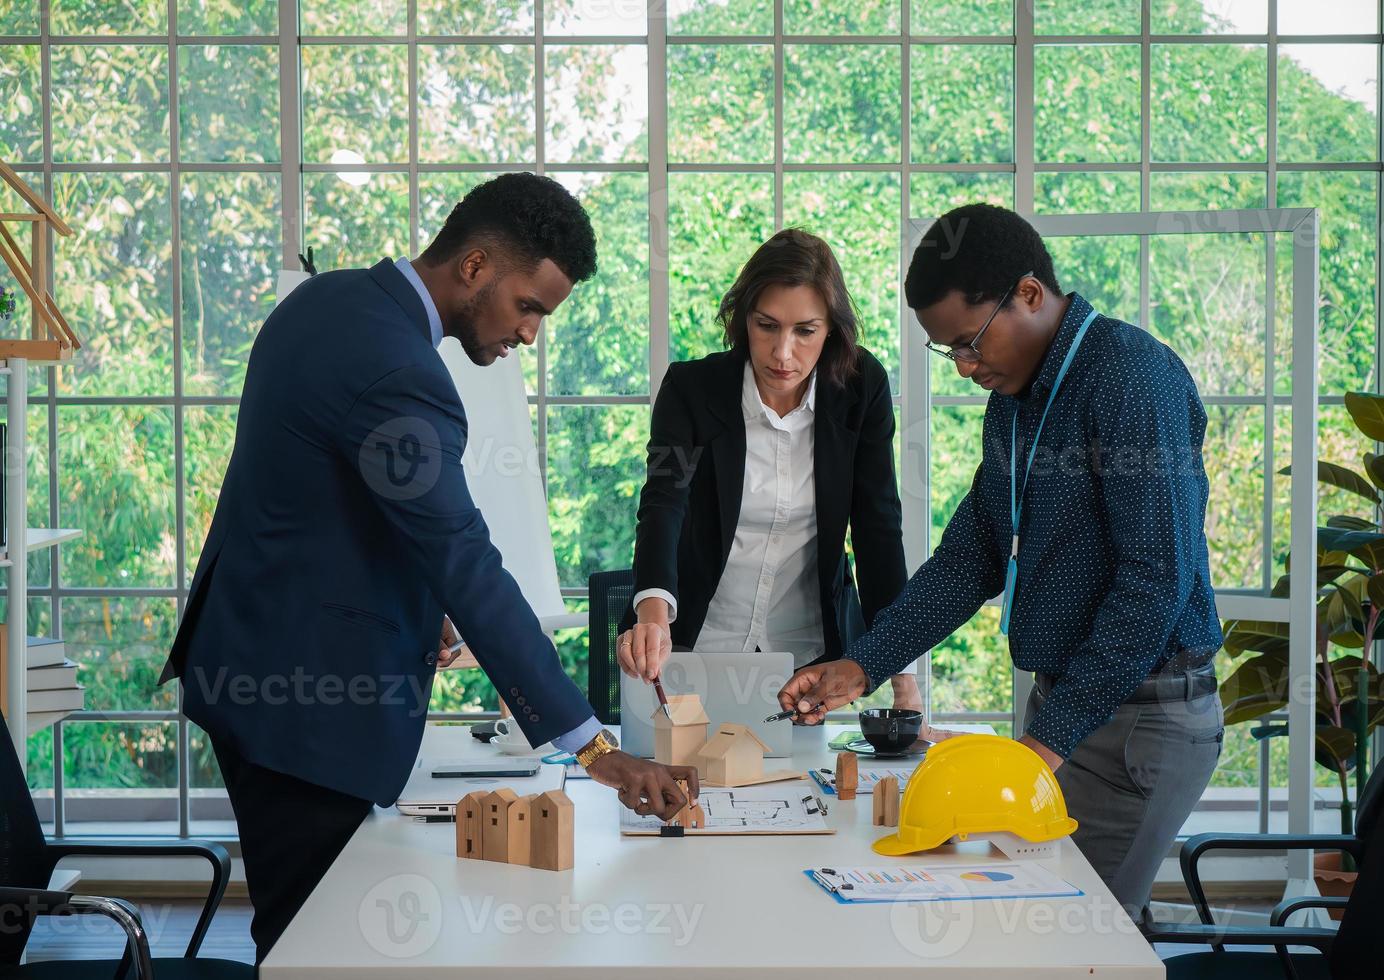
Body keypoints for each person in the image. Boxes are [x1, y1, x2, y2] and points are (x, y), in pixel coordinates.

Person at [160, 174, 698, 964]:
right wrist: (594, 748)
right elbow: (463, 557)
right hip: (304, 711)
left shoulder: (328, 300)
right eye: (530, 307)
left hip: (255, 665)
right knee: (320, 950)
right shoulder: (401, 373)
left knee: (304, 937)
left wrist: (417, 608)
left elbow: (324, 510)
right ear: (475, 267)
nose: (530, 335)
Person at [778, 203, 1224, 924]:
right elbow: (971, 557)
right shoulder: (1015, 404)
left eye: (969, 342)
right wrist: (860, 666)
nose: (964, 366)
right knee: (1024, 933)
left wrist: (1046, 743)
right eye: (947, 351)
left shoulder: (1130, 380)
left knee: (1072, 940)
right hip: (1069, 709)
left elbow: (1156, 583)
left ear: (1028, 294)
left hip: (1141, 721)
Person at [619, 228, 921, 709]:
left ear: (831, 330)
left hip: (806, 659)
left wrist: (902, 676)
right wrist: (653, 616)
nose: (783, 353)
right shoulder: (692, 389)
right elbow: (663, 503)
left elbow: (877, 527)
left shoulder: (861, 388)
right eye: (767, 326)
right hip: (695, 646)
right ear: (743, 321)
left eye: (805, 331)